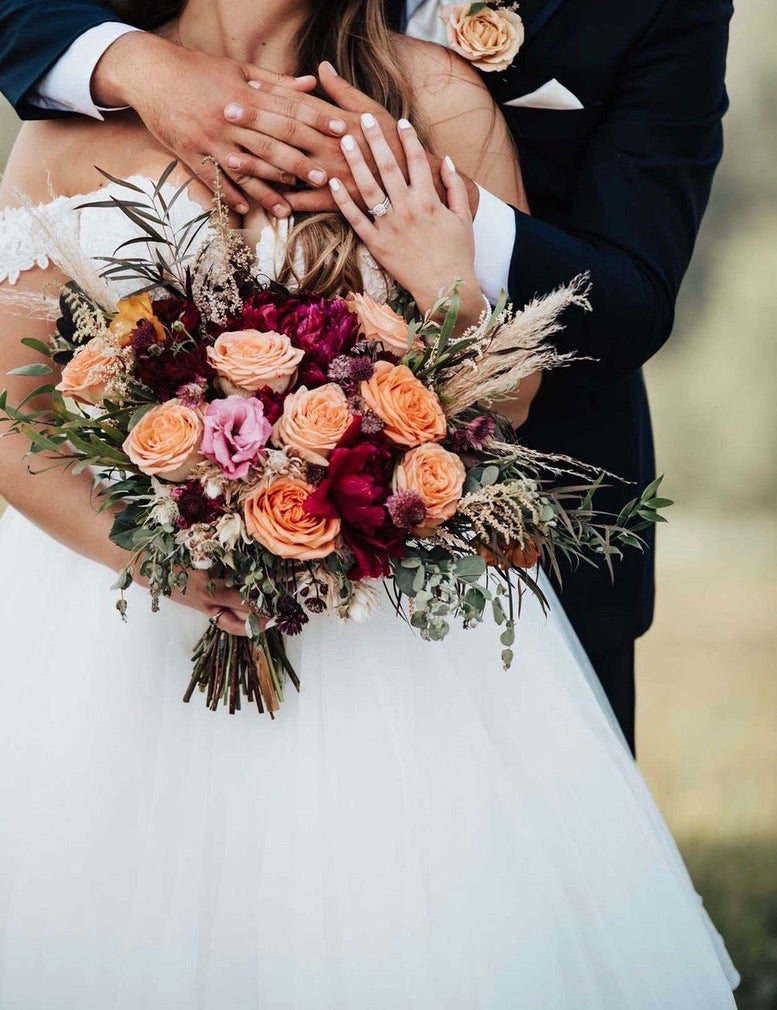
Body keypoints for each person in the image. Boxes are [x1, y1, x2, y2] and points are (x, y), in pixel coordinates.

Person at [0, 0, 738, 1005]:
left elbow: (516, 390)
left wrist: (453, 282)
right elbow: (14, 405)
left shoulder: (434, 92)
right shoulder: (65, 127)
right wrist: (152, 551)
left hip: (396, 620)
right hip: (123, 613)